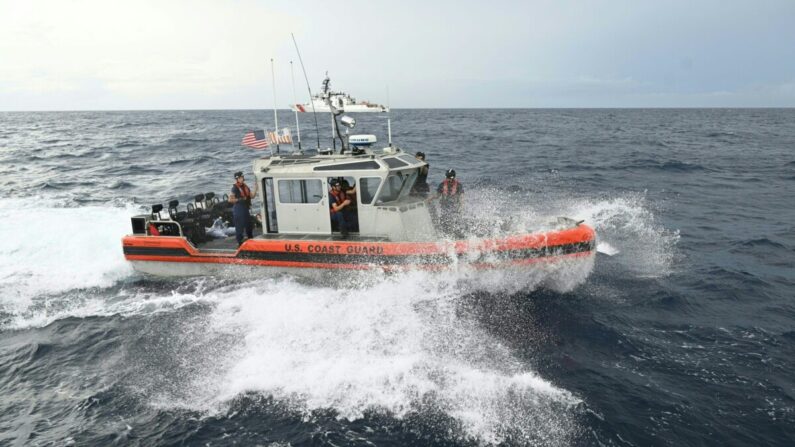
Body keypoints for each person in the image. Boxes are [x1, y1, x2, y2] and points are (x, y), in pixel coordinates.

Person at [229, 171, 257, 246]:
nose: (242, 179)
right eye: (240, 178)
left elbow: (252, 196)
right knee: (239, 227)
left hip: (245, 209)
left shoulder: (245, 186)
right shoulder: (234, 188)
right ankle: (240, 243)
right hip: (238, 210)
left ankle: (251, 239)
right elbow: (230, 200)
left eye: (242, 177)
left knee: (249, 225)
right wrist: (239, 200)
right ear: (237, 179)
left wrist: (256, 187)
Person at [436, 169, 464, 235]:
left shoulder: (459, 185)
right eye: (447, 177)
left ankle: (456, 235)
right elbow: (437, 196)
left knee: (455, 222)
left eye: (448, 177)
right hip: (444, 208)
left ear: (453, 178)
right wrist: (428, 199)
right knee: (444, 222)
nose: (447, 179)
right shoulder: (442, 185)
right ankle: (444, 235)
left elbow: (461, 197)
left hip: (455, 208)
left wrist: (461, 207)